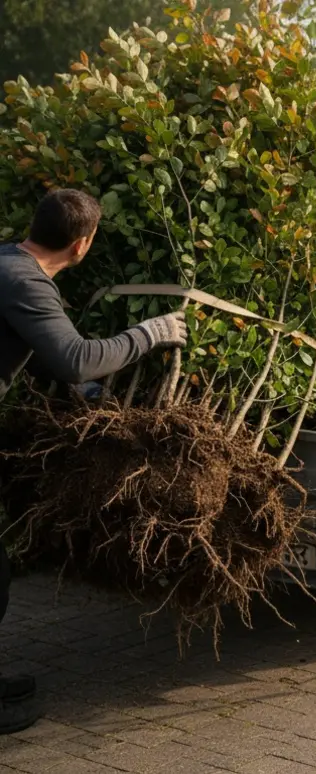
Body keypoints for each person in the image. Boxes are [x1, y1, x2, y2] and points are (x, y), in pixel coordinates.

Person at [0, 189, 189, 734]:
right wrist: (149, 333)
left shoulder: (6, 263)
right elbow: (77, 356)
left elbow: (35, 354)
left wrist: (79, 396)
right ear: (82, 245)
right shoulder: (24, 280)